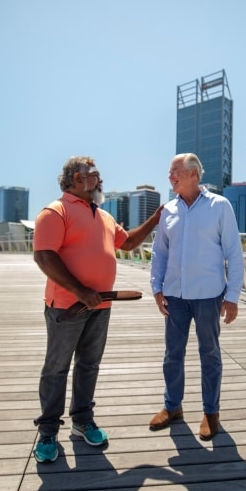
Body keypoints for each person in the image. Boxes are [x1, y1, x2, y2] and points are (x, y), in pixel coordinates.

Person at [32, 155, 162, 463]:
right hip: (67, 306)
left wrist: (156, 218)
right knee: (57, 368)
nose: (100, 180)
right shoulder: (55, 212)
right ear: (77, 179)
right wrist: (80, 291)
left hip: (102, 304)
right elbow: (44, 257)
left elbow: (127, 243)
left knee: (89, 365)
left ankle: (82, 422)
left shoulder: (102, 216)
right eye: (95, 174)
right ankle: (48, 432)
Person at [149, 153, 244, 441]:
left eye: (175, 171)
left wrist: (233, 296)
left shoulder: (220, 206)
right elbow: (160, 252)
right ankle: (172, 406)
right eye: (169, 171)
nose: (170, 176)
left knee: (210, 354)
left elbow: (234, 253)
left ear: (193, 174)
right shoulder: (168, 211)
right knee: (172, 355)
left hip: (208, 296)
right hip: (175, 295)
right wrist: (156, 286)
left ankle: (210, 411)